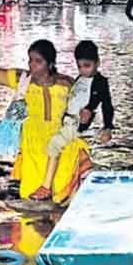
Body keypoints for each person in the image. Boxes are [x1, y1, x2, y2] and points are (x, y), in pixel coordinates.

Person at [0, 40, 92, 205]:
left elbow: (84, 110)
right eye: (30, 60)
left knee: (63, 199)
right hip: (33, 147)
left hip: (62, 146)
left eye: (38, 61)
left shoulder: (67, 83)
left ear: (50, 64)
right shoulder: (22, 80)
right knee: (32, 203)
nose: (32, 65)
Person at [41, 41, 114, 201]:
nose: (83, 70)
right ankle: (82, 178)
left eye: (87, 66)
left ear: (97, 62)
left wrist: (108, 126)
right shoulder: (80, 78)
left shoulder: (100, 82)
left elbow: (107, 105)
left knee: (54, 145)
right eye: (80, 66)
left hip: (77, 124)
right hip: (69, 122)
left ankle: (46, 187)